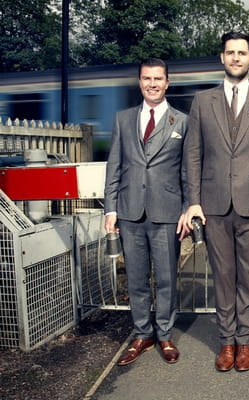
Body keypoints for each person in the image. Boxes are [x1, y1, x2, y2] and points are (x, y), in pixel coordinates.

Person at [181, 32, 249, 372]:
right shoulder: (202, 101)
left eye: (242, 53)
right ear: (221, 58)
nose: (236, 58)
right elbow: (192, 156)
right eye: (230, 52)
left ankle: (245, 342)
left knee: (248, 276)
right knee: (223, 275)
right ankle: (227, 342)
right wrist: (192, 201)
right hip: (213, 206)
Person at [104, 58, 187, 366]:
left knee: (166, 279)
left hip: (167, 212)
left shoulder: (182, 121)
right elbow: (115, 165)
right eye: (146, 78)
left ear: (167, 83)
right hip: (129, 212)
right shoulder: (123, 119)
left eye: (158, 78)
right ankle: (142, 334)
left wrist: (186, 209)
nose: (152, 83)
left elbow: (187, 172)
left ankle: (164, 334)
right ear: (139, 82)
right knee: (137, 279)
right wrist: (110, 208)